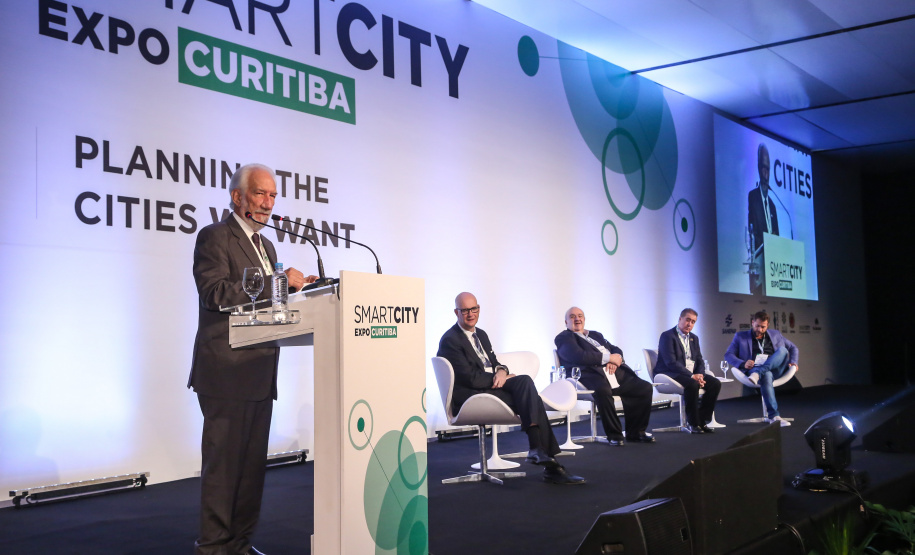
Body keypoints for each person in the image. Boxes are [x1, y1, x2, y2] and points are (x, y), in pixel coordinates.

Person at [188, 163, 317, 555]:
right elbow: (215, 293)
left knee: (249, 473)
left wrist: (303, 293)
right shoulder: (214, 237)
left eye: (273, 195)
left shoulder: (268, 247)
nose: (268, 203)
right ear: (237, 197)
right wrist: (279, 283)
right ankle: (213, 548)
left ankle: (240, 544)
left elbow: (268, 306)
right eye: (260, 194)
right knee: (223, 472)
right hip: (225, 372)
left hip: (260, 371)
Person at [437, 292, 585, 485]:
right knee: (531, 396)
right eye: (465, 310)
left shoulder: (480, 334)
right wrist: (500, 379)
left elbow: (495, 363)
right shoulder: (451, 340)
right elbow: (470, 378)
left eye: (474, 309)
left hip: (491, 388)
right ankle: (548, 462)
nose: (470, 314)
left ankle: (542, 454)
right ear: (456, 312)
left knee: (525, 383)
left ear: (479, 309)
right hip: (470, 397)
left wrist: (501, 371)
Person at [554, 307, 655, 445]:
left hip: (613, 372)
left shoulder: (595, 335)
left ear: (584, 319)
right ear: (566, 322)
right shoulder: (563, 338)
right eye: (572, 316)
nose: (577, 319)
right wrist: (608, 358)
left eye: (580, 316)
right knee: (603, 391)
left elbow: (615, 349)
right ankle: (615, 435)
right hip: (588, 374)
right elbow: (578, 355)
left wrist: (616, 358)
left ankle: (636, 432)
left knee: (644, 388)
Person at [724, 311, 798, 426]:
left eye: (763, 327)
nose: (759, 329)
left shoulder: (775, 334)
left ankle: (759, 373)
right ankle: (774, 416)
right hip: (754, 368)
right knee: (766, 375)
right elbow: (728, 355)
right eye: (757, 326)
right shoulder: (740, 337)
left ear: (767, 325)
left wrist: (793, 361)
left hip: (775, 369)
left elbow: (793, 348)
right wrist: (743, 364)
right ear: (752, 323)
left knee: (783, 350)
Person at [654, 308, 720, 434]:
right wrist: (692, 376)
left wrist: (700, 375)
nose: (690, 324)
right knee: (692, 384)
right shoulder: (667, 336)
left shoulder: (694, 338)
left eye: (693, 322)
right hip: (671, 373)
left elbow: (699, 359)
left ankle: (702, 420)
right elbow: (671, 362)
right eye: (687, 320)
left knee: (715, 383)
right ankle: (693, 423)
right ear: (680, 319)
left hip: (691, 373)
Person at [748, 143, 779, 294]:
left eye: (768, 169)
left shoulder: (773, 205)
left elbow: (777, 239)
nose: (766, 173)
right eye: (763, 168)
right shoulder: (753, 197)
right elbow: (753, 231)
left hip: (773, 271)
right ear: (758, 169)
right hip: (760, 267)